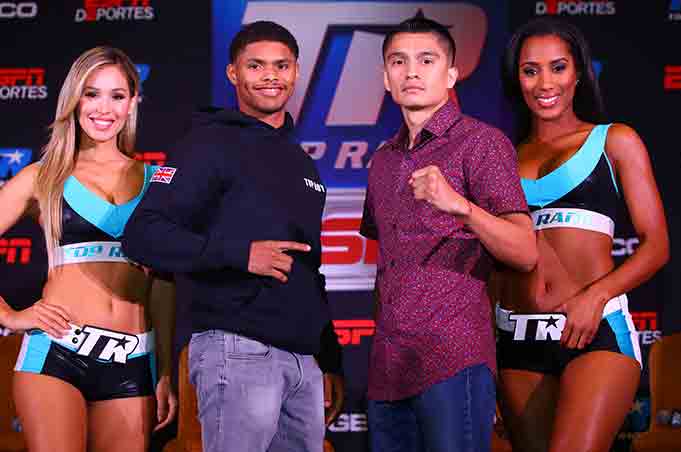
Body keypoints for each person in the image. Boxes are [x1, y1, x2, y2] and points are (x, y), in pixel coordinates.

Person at [121, 21, 344, 452]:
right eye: (255, 66)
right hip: (237, 347)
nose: (270, 76)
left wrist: (328, 357)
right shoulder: (206, 144)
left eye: (281, 66)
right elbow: (143, 235)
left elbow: (308, 270)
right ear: (233, 74)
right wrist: (240, 255)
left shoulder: (302, 161)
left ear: (296, 72)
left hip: (301, 361)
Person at [359, 16, 538, 452]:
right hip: (389, 367)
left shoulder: (481, 143)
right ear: (385, 78)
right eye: (398, 62)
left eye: (427, 60)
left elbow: (525, 250)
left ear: (451, 74)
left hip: (453, 357)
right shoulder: (383, 160)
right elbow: (388, 263)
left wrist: (461, 206)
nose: (412, 72)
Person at [494, 17, 669, 452]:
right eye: (530, 70)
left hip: (594, 334)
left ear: (578, 73)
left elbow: (657, 245)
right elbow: (492, 266)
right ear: (516, 79)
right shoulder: (499, 158)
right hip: (515, 343)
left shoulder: (615, 141)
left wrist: (595, 297)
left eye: (558, 67)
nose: (544, 83)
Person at [0, 46, 177, 452]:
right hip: (55, 355)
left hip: (135, 360)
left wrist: (164, 369)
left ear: (133, 102)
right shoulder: (40, 177)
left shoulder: (159, 181)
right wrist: (10, 315)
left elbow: (165, 285)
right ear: (74, 99)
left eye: (117, 95)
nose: (104, 108)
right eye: (91, 93)